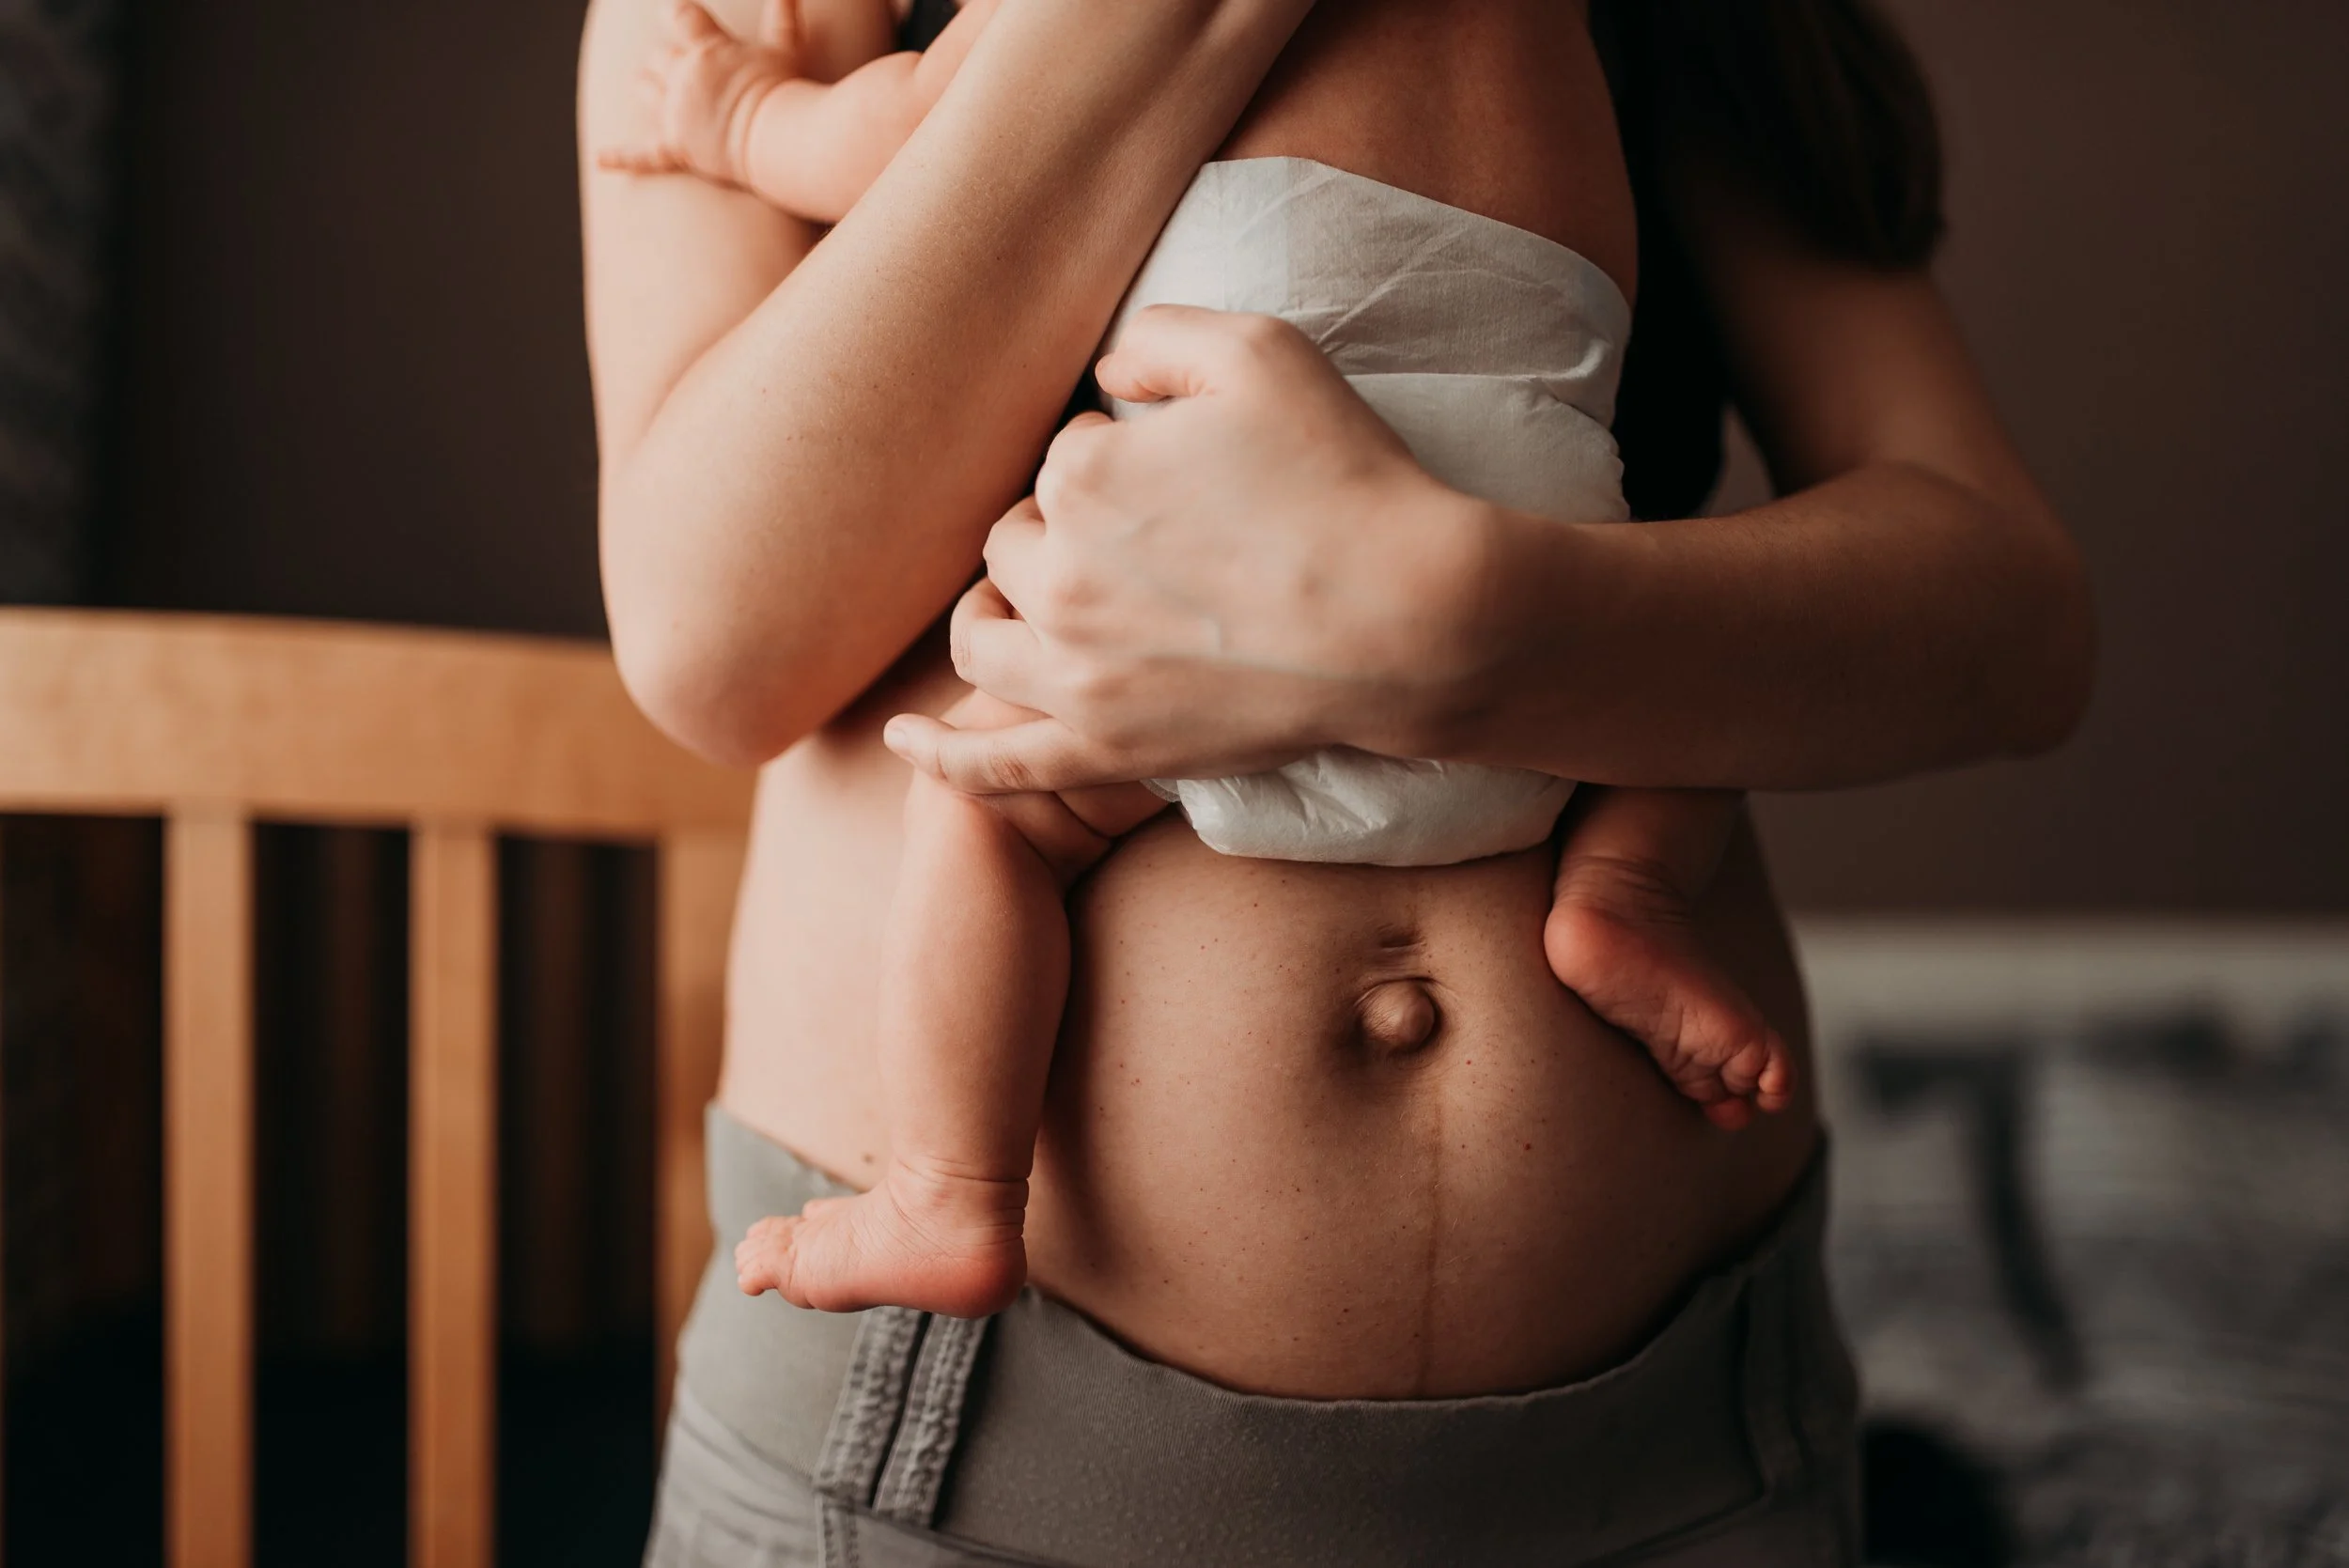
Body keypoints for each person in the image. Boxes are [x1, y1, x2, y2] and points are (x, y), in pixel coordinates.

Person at [579, 0, 2092, 1562]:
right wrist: (762, 117)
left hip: (1679, 1467)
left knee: (1673, 714)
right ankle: (950, 1189)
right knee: (995, 782)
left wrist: (1472, 620)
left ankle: (1616, 887)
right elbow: (718, 644)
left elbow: (2016, 624)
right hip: (977, 1469)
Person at [601, 0, 1792, 1320]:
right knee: (1672, 682)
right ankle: (1628, 888)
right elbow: (708, 648)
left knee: (986, 815)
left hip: (1220, 539)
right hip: (1545, 537)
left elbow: (912, 133)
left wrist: (746, 119)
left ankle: (947, 1191)